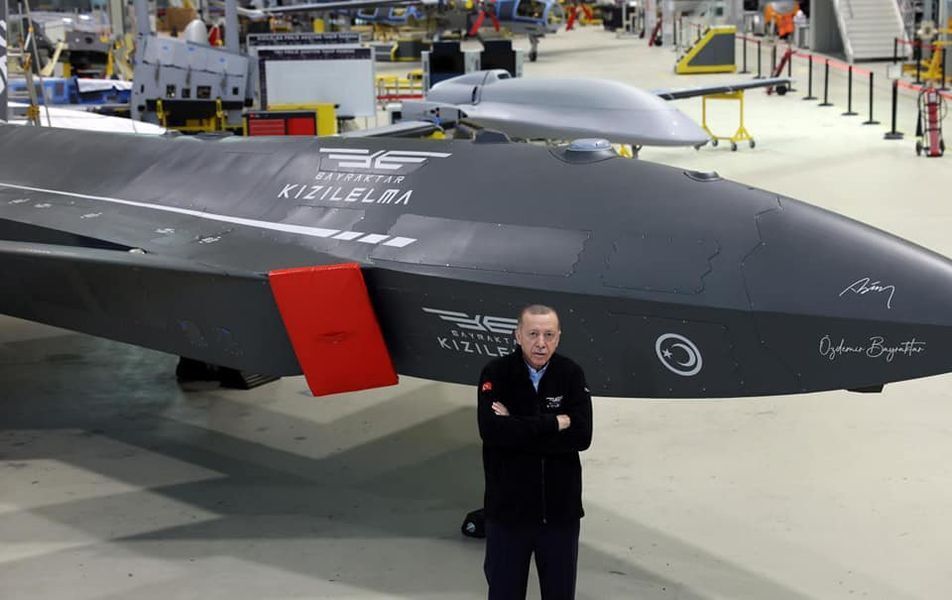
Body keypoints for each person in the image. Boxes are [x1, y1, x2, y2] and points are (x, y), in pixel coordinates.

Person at [477, 304, 593, 600]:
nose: (541, 343)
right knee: (504, 592)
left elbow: (582, 436)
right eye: (533, 334)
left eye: (549, 335)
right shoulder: (496, 373)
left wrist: (515, 426)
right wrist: (554, 423)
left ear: (558, 337)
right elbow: (491, 431)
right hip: (508, 514)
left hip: (559, 515)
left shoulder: (571, 374)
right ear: (518, 335)